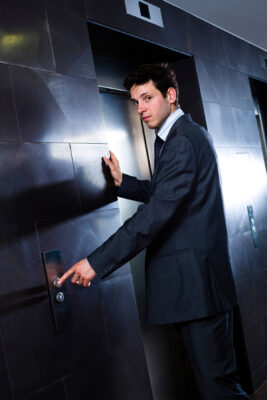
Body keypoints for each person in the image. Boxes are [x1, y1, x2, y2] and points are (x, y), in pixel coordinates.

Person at [59, 64, 249, 399]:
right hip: (194, 290)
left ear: (170, 95)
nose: (141, 108)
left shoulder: (182, 141)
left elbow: (154, 215)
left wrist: (95, 262)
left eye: (147, 98)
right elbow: (168, 195)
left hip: (197, 290)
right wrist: (123, 183)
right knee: (214, 385)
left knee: (218, 388)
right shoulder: (179, 137)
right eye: (135, 102)